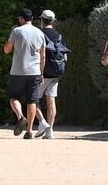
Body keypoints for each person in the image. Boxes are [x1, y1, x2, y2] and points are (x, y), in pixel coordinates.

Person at [3, 6, 45, 140]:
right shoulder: (40, 33)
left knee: (13, 97)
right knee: (32, 100)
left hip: (17, 70)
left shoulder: (16, 31)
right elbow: (43, 56)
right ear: (32, 19)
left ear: (21, 19)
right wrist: (42, 73)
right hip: (34, 71)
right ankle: (29, 130)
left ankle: (21, 117)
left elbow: (6, 50)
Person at [36, 10, 67, 140]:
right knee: (51, 101)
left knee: (32, 100)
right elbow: (65, 57)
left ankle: (42, 122)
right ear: (53, 21)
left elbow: (39, 55)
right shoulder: (59, 36)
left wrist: (40, 72)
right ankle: (51, 131)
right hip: (56, 73)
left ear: (42, 20)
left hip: (43, 73)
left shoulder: (40, 34)